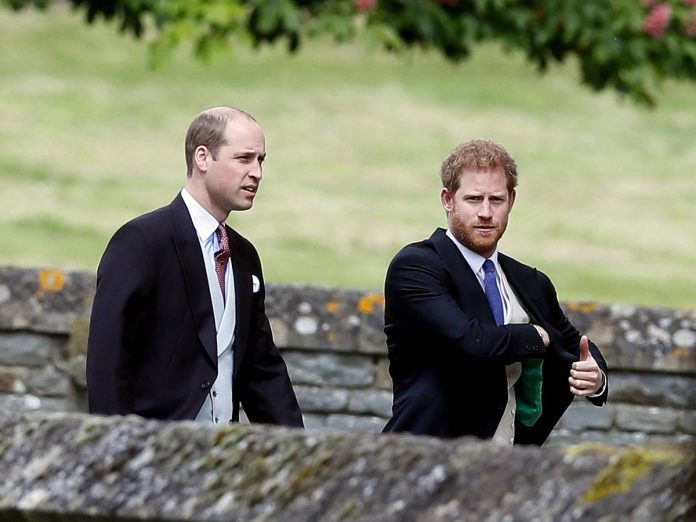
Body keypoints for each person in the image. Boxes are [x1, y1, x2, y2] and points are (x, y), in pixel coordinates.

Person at [86, 106, 303, 428]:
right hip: (149, 454)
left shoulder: (244, 256)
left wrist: (297, 454)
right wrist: (116, 453)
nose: (257, 172)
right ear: (203, 158)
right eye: (244, 159)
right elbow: (109, 359)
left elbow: (261, 369)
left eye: (261, 160)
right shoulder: (142, 242)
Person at [382, 139, 607, 445]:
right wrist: (535, 336)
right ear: (448, 200)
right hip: (425, 458)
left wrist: (595, 377)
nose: (486, 212)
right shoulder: (417, 267)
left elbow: (574, 343)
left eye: (496, 200)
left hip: (509, 466)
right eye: (474, 199)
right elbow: (470, 341)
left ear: (511, 201)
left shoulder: (530, 282)